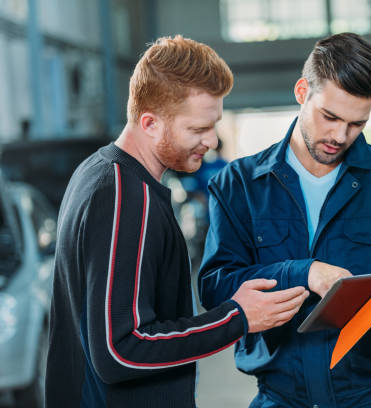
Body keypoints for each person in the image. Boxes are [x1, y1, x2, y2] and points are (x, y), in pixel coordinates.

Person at [199, 32, 371, 407]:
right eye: (329, 116)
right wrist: (303, 273)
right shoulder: (237, 187)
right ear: (302, 92)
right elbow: (217, 287)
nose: (339, 136)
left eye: (357, 123)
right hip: (281, 397)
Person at [45, 35, 309, 408]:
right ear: (150, 123)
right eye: (198, 129)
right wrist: (237, 317)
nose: (212, 140)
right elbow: (120, 350)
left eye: (214, 125)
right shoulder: (123, 196)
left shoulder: (100, 174)